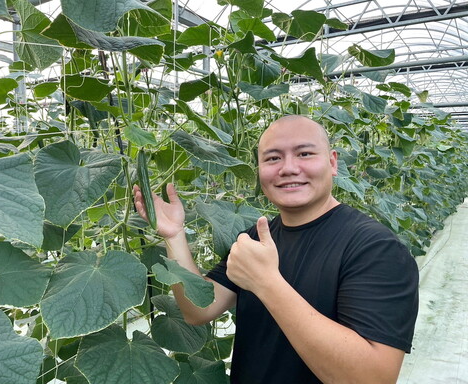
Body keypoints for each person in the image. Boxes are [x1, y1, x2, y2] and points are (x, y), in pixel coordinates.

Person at [133, 115, 419, 384]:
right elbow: (199, 310)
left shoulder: (376, 248)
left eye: (305, 154)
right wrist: (174, 235)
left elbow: (373, 377)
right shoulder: (255, 238)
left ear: (333, 162)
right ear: (259, 169)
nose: (288, 168)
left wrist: (267, 284)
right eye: (273, 158)